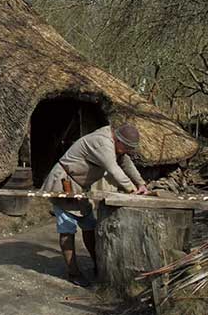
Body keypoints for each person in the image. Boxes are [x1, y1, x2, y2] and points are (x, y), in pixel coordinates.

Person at [41, 123, 148, 287]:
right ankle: (73, 272)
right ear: (118, 141)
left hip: (81, 187)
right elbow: (114, 169)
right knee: (67, 228)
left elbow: (126, 164)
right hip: (63, 182)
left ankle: (98, 264)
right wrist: (132, 190)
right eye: (125, 148)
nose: (126, 151)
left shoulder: (115, 143)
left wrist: (141, 184)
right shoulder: (103, 142)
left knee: (89, 225)